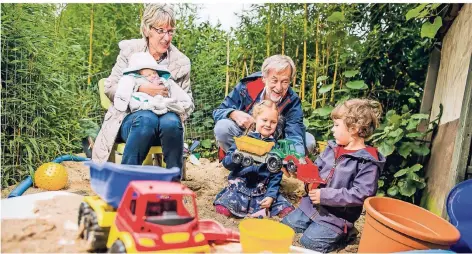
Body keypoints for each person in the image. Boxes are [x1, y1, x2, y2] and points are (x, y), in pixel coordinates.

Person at [92, 4, 192, 174]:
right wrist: (142, 88)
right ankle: (127, 181)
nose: (166, 37)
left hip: (166, 120)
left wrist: (171, 103)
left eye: (170, 31)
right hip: (131, 120)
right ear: (147, 30)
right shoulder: (131, 52)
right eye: (160, 30)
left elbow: (187, 102)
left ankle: (172, 185)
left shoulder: (181, 62)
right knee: (146, 119)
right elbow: (110, 87)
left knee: (172, 123)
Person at [280, 98, 386, 253]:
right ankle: (314, 225)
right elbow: (315, 171)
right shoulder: (332, 148)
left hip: (336, 218)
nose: (332, 129)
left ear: (354, 128)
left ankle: (345, 236)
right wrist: (299, 172)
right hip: (310, 207)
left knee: (309, 242)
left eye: (336, 125)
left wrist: (325, 195)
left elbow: (361, 194)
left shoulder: (367, 162)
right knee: (287, 226)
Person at [213, 54, 315, 161]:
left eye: (285, 82)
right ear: (264, 78)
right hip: (246, 140)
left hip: (274, 144)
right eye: (274, 80)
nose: (279, 87)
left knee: (309, 141)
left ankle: (276, 166)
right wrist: (233, 113)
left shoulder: (292, 100)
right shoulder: (247, 87)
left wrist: (297, 160)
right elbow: (218, 112)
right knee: (222, 127)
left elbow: (295, 133)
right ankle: (237, 162)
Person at [214, 100, 295, 218]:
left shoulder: (275, 147)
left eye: (273, 122)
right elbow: (227, 164)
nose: (268, 125)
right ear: (255, 118)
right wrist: (235, 157)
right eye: (264, 120)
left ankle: (265, 205)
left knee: (287, 209)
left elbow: (276, 176)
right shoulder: (243, 140)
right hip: (240, 187)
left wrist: (271, 196)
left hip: (262, 190)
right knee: (223, 208)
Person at [114, 52, 193, 122]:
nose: (152, 76)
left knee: (171, 119)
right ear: (138, 75)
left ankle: (166, 106)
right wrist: (138, 89)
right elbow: (123, 91)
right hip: (143, 108)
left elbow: (180, 94)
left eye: (154, 73)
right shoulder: (132, 81)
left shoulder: (165, 82)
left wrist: (183, 107)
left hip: (165, 107)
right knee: (145, 116)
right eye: (148, 75)